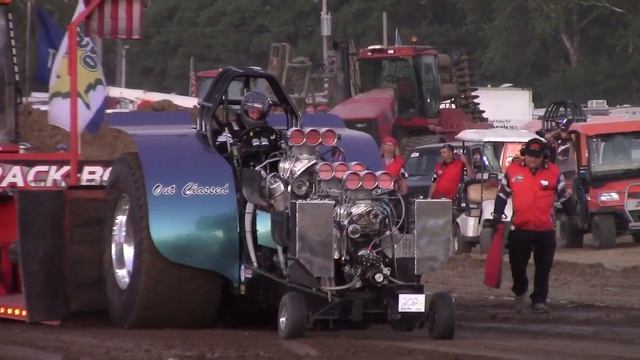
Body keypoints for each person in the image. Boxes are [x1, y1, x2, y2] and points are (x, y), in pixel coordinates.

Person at [491, 138, 576, 314]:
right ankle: (520, 292)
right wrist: (497, 215)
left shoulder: (554, 173)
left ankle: (539, 300)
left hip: (545, 230)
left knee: (543, 267)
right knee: (518, 266)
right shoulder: (513, 171)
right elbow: (502, 195)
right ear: (524, 154)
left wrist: (572, 214)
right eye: (530, 155)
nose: (533, 160)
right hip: (520, 229)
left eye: (537, 156)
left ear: (544, 156)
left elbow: (564, 196)